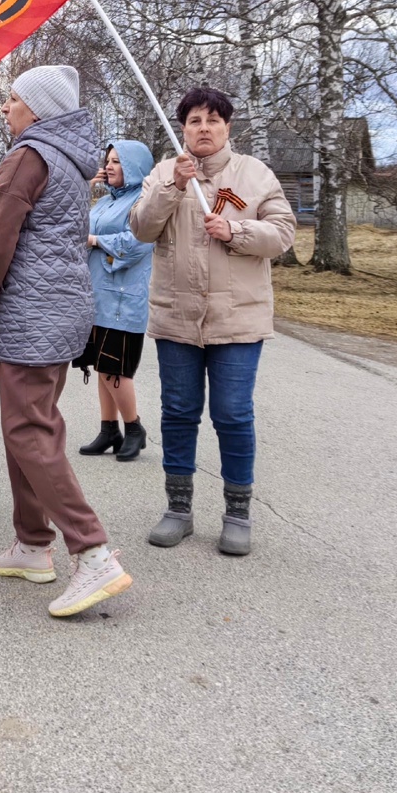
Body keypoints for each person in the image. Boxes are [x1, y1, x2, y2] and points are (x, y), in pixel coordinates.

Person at [0, 65, 132, 618]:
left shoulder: (27, 157)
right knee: (30, 426)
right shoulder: (62, 158)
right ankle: (33, 545)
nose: (7, 107)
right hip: (59, 311)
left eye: (13, 99)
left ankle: (92, 552)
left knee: (29, 430)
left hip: (33, 313)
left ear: (36, 110)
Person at [129, 86, 296, 556]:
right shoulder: (165, 173)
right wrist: (173, 188)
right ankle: (178, 511)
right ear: (182, 127)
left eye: (213, 121)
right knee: (179, 414)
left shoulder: (254, 174)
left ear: (227, 127)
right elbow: (141, 228)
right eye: (195, 121)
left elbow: (282, 232)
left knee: (233, 415)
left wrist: (238, 230)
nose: (204, 128)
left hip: (236, 320)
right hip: (176, 317)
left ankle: (237, 513)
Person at [77, 140, 156, 461]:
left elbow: (140, 241)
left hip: (124, 300)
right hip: (98, 297)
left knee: (116, 369)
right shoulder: (106, 202)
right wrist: (85, 189)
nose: (108, 166)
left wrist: (96, 241)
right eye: (107, 161)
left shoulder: (143, 203)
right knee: (102, 366)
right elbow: (77, 227)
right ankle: (109, 429)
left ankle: (135, 428)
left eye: (116, 162)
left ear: (135, 166)